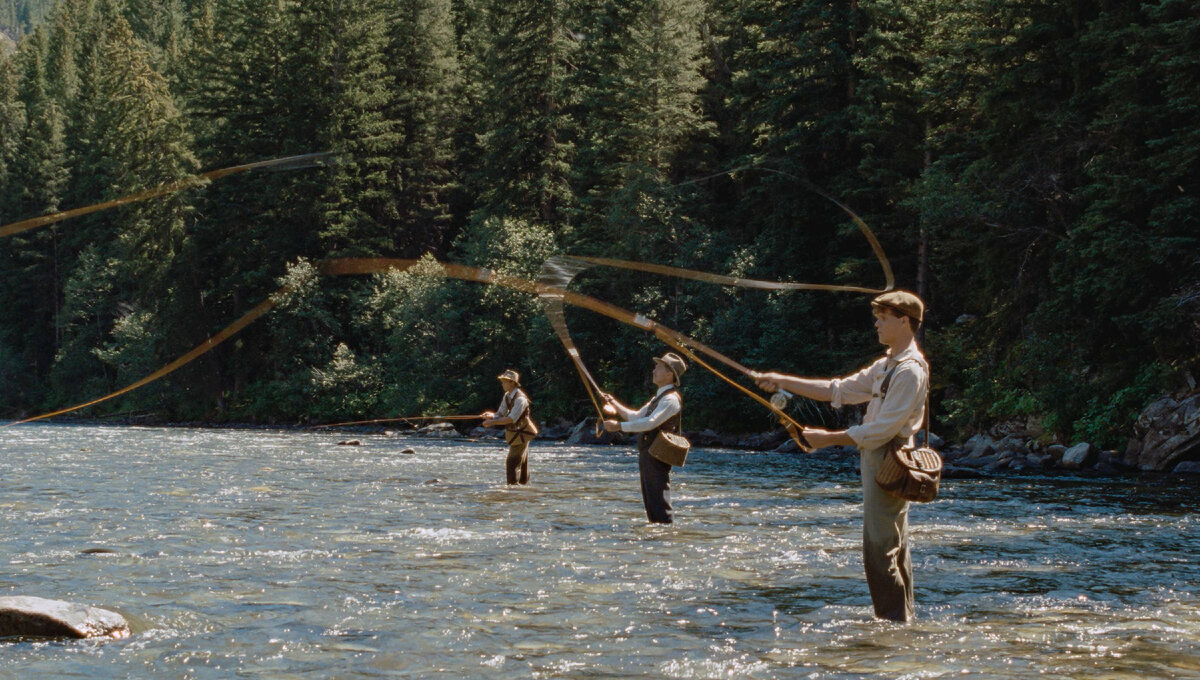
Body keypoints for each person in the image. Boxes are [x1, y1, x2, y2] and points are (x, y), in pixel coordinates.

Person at [751, 290, 929, 622]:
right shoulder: (887, 365)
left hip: (890, 459)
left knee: (879, 550)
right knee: (892, 545)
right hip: (880, 458)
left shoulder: (909, 371)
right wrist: (781, 380)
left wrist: (827, 439)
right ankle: (902, 623)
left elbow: (882, 430)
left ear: (904, 321)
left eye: (883, 318)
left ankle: (891, 627)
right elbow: (838, 390)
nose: (876, 323)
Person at [600, 352, 687, 524]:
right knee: (651, 498)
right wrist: (613, 402)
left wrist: (619, 427)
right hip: (650, 453)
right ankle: (657, 535)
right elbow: (636, 417)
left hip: (658, 454)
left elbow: (650, 423)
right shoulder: (659, 397)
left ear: (669, 374)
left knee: (658, 499)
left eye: (658, 367)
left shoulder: (670, 400)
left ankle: (664, 536)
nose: (654, 370)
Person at [481, 369, 537, 485]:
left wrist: (492, 423)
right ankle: (523, 486)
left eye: (504, 381)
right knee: (522, 462)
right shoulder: (507, 395)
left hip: (523, 432)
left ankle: (513, 488)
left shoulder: (520, 399)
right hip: (517, 432)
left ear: (512, 383)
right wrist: (492, 416)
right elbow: (500, 413)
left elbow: (511, 419)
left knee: (512, 462)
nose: (502, 384)